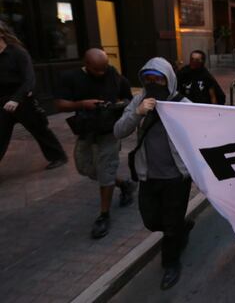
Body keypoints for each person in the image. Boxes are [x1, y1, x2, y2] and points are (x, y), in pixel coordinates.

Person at [114, 57, 194, 290]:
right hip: (148, 175)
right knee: (151, 220)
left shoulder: (182, 103)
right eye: (148, 79)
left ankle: (171, 263)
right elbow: (119, 131)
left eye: (157, 79)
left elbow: (204, 130)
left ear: (168, 79)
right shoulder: (140, 100)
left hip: (177, 178)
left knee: (170, 226)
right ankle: (182, 226)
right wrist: (137, 112)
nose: (152, 83)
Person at [55, 49, 136, 239]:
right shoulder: (71, 77)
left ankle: (103, 215)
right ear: (87, 65)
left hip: (109, 131)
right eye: (97, 70)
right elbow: (60, 104)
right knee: (85, 168)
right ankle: (124, 184)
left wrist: (118, 105)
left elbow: (128, 98)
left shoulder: (113, 75)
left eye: (104, 68)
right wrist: (82, 104)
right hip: (86, 130)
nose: (102, 73)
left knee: (106, 170)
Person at [0, 23, 68, 169]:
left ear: (1, 34)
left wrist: (16, 99)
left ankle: (58, 157)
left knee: (40, 130)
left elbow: (29, 79)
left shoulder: (17, 53)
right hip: (2, 101)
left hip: (22, 99)